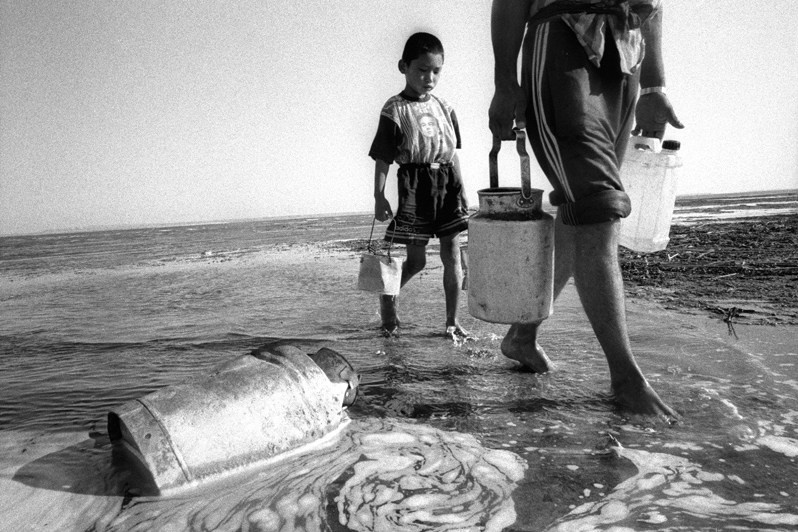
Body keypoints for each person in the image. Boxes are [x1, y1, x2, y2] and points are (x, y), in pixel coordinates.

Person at [489, 0, 683, 417]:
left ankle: (523, 336)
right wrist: (505, 81)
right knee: (599, 209)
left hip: (625, 54)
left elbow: (654, 5)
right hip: (560, 42)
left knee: (582, 212)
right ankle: (626, 379)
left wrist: (654, 87)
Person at [370, 32, 470, 339]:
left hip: (447, 183)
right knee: (417, 260)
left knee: (452, 253)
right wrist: (379, 195)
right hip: (414, 182)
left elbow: (451, 153)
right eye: (422, 70)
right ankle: (389, 302)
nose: (429, 77)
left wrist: (462, 189)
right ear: (404, 67)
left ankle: (451, 322)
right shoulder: (394, 109)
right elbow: (384, 158)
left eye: (436, 71)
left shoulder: (444, 107)